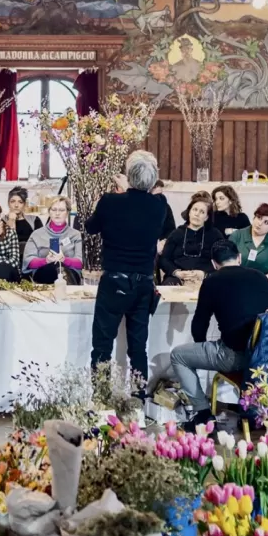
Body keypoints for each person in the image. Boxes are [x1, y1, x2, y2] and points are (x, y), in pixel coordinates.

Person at [84, 150, 176, 388]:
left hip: (114, 279)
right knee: (138, 347)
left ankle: (101, 398)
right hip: (143, 282)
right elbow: (142, 205)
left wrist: (116, 195)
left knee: (103, 344)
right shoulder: (159, 206)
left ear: (128, 176)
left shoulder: (109, 201)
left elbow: (90, 227)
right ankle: (138, 400)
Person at [164, 239, 268, 427]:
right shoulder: (260, 276)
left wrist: (202, 345)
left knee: (178, 355)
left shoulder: (212, 281)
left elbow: (199, 326)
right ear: (239, 257)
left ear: (214, 264)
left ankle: (202, 413)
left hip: (235, 355)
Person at [158, 197, 225, 284]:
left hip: (206, 277)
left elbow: (223, 259)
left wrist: (204, 274)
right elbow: (164, 259)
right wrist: (177, 272)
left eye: (202, 212)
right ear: (189, 212)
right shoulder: (176, 233)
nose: (197, 214)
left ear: (206, 217)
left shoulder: (215, 234)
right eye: (195, 210)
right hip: (178, 277)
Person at [23, 196, 83, 284]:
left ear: (67, 213)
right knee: (54, 266)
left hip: (71, 274)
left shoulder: (75, 235)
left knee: (61, 267)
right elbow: (28, 262)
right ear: (49, 212)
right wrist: (46, 260)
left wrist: (64, 259)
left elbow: (80, 262)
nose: (57, 213)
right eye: (54, 210)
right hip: (44, 273)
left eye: (61, 210)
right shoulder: (36, 234)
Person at [227, 202, 268, 282]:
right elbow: (227, 263)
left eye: (266, 222)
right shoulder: (237, 235)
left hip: (267, 283)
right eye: (259, 217)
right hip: (239, 281)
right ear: (254, 217)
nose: (260, 223)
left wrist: (259, 281)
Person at [8, 186, 41, 251]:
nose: (16, 205)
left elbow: (40, 243)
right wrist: (11, 220)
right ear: (8, 203)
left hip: (31, 257)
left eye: (20, 202)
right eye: (13, 201)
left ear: (25, 204)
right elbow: (6, 246)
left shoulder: (34, 220)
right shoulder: (2, 221)